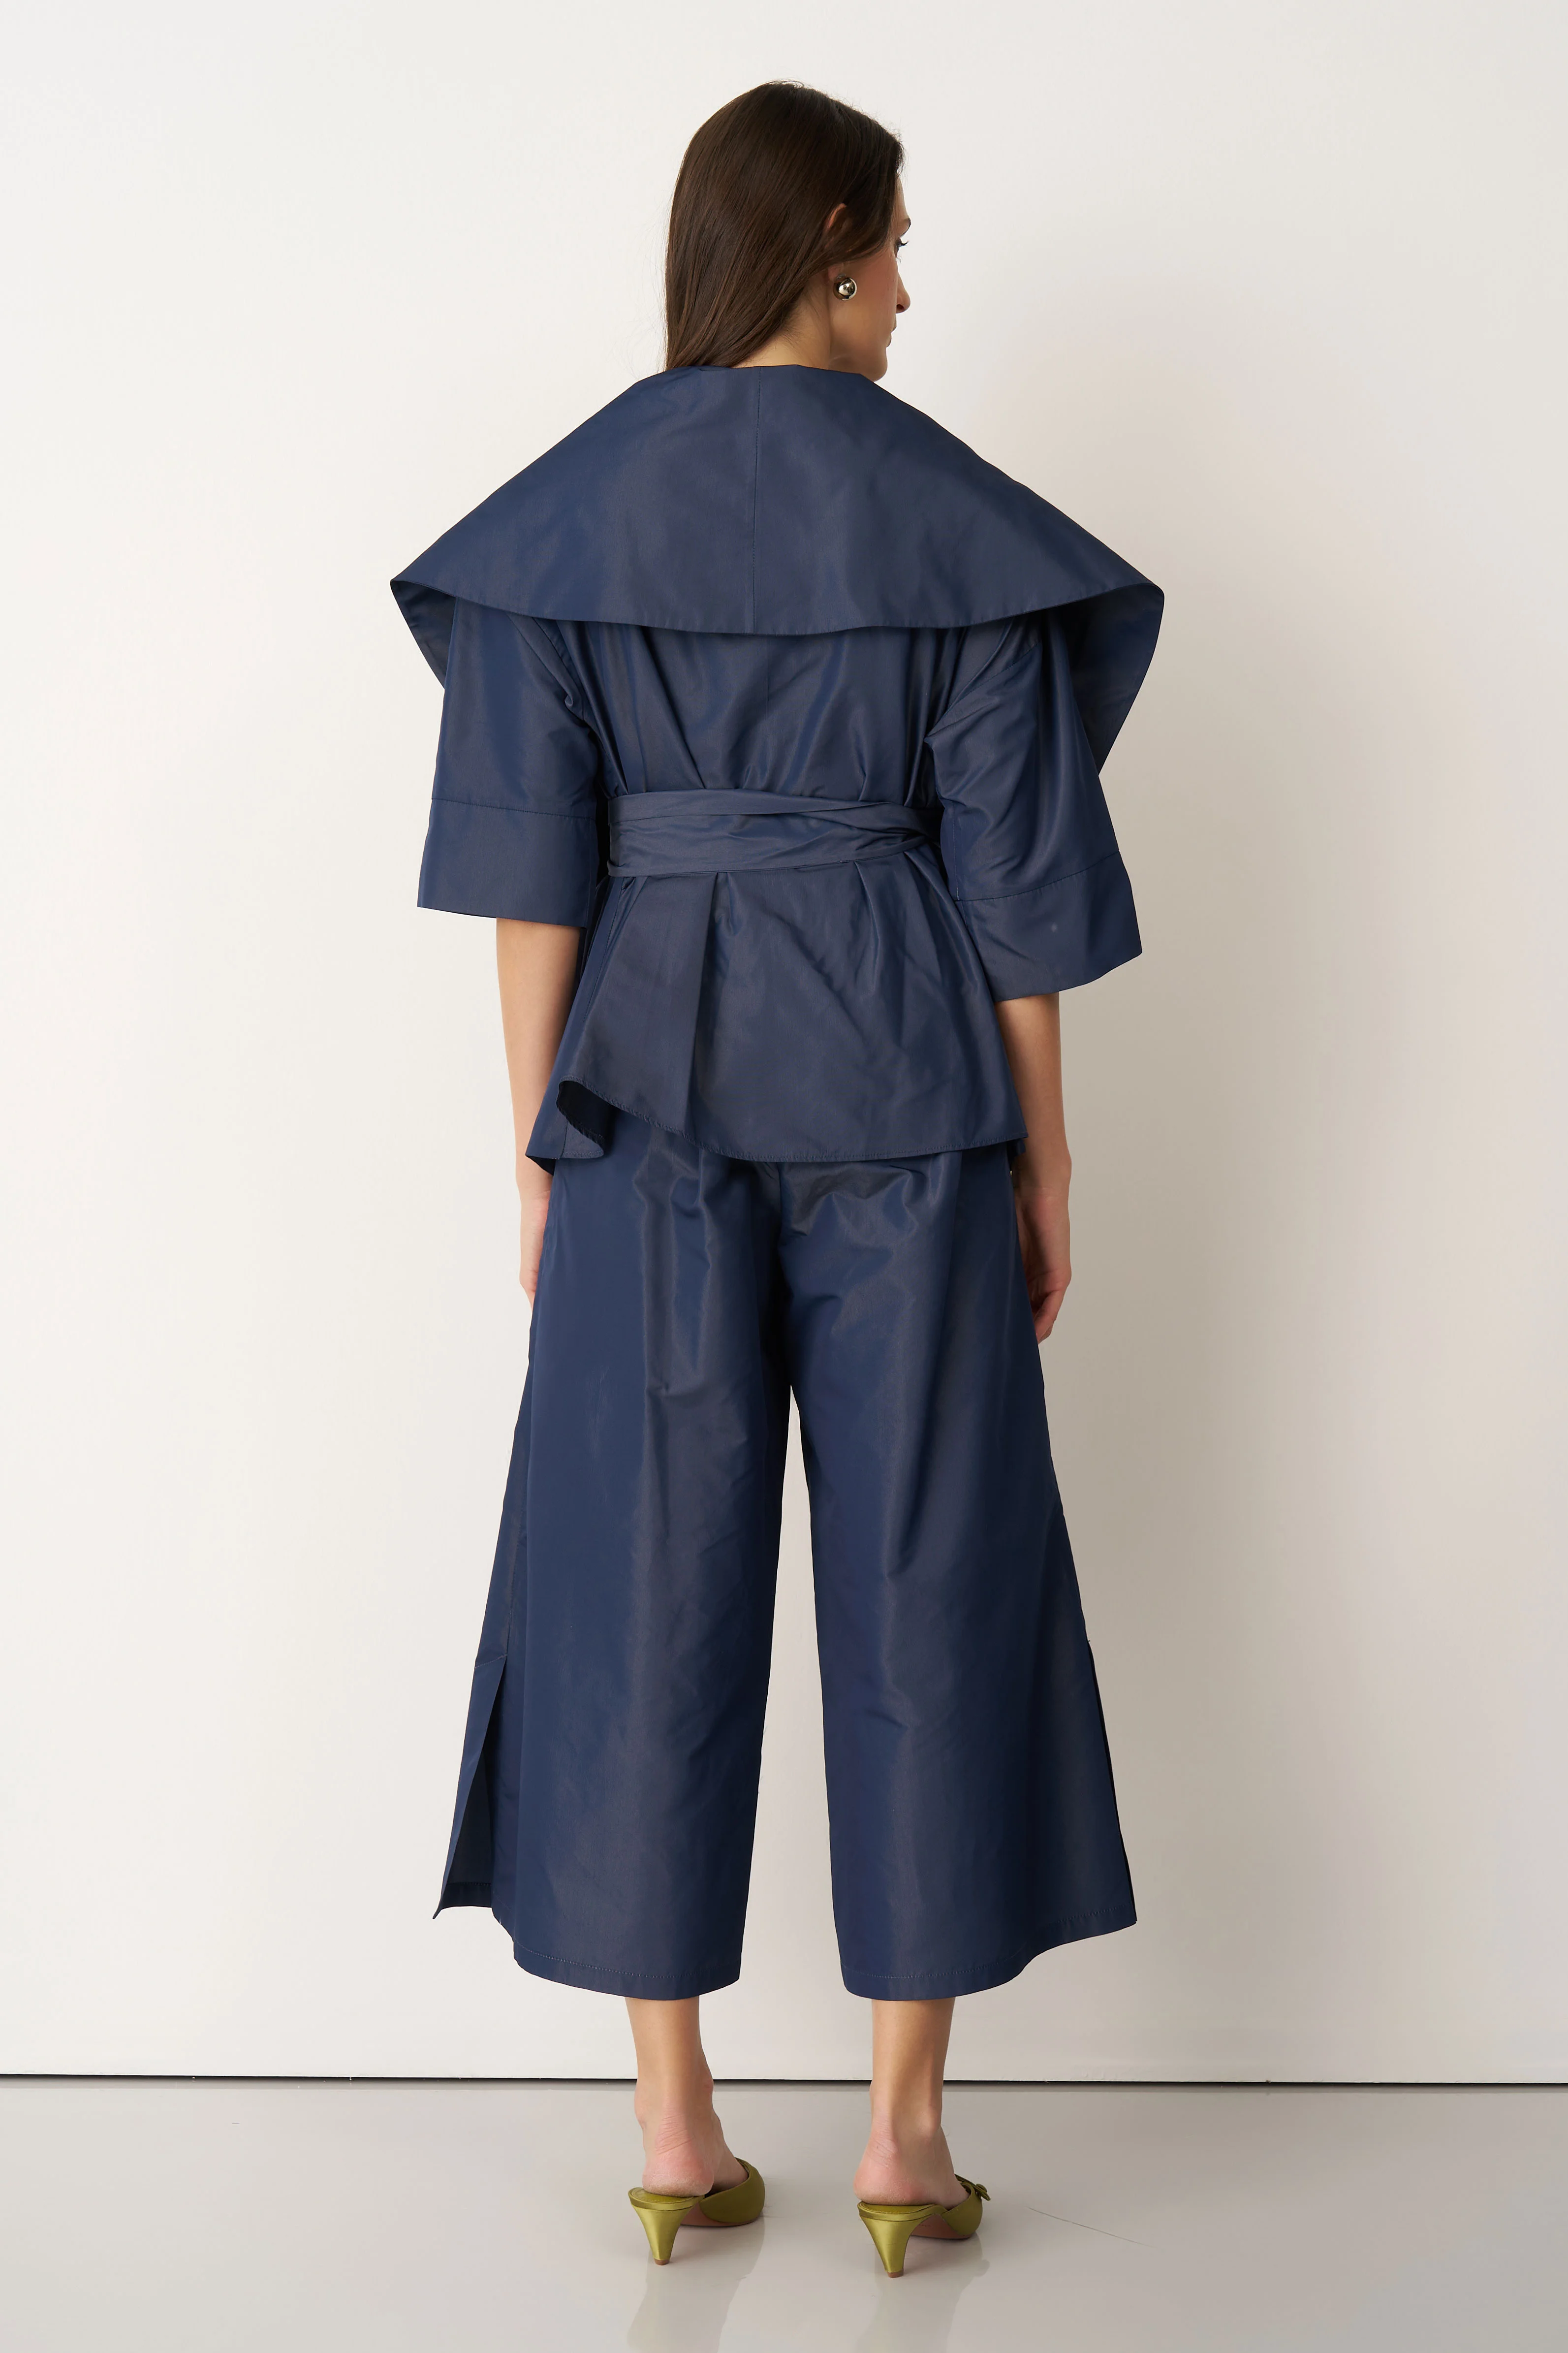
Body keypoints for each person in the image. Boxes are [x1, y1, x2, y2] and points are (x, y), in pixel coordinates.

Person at [392, 80, 1160, 2277]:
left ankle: (675, 2121)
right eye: (897, 243)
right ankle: (904, 2144)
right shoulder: (953, 530)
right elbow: (1016, 897)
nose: (911, 287)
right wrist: (1046, 1158)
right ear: (826, 243)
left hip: (638, 1098)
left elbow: (534, 880)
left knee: (634, 1568)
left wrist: (537, 1152)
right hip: (913, 1088)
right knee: (936, 1566)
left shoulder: (567, 523)